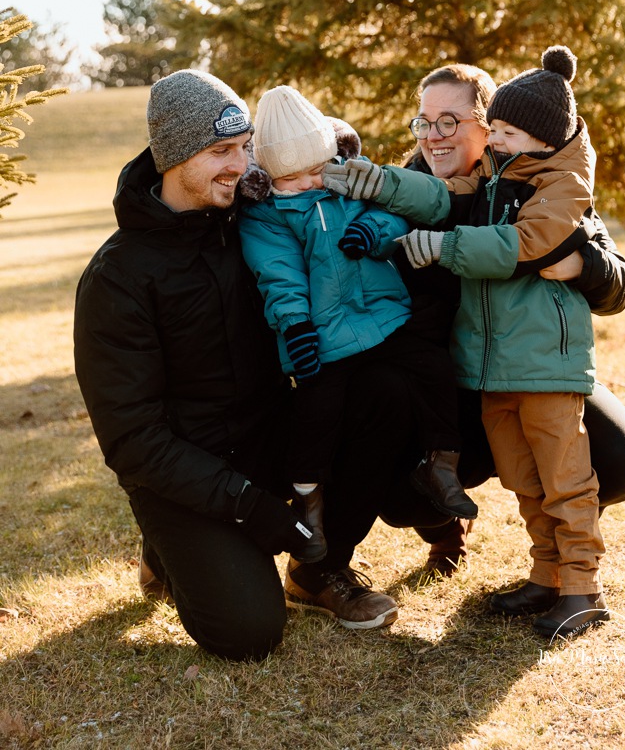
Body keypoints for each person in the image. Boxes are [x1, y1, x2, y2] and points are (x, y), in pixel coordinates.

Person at [73, 69, 416, 661]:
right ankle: (167, 544)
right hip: (187, 471)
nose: (242, 165)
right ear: (173, 158)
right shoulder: (118, 278)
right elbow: (132, 439)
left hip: (269, 436)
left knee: (383, 394)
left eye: (244, 147)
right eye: (221, 151)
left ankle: (320, 571)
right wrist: (248, 506)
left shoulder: (253, 221)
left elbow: (329, 196)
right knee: (248, 632)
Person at [323, 55, 625, 590]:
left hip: (534, 370)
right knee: (408, 494)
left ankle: (568, 567)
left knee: (614, 460)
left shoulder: (540, 185)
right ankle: (447, 528)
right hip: (449, 387)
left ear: (491, 127)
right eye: (424, 122)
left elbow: (620, 286)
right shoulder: (407, 193)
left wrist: (584, 265)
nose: (434, 135)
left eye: (450, 121)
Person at [237, 85, 478, 563]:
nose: (309, 183)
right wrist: (295, 326)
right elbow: (278, 275)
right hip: (323, 333)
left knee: (432, 368)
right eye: (292, 178)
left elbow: (390, 217)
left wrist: (375, 232)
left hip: (384, 315)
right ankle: (309, 499)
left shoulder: (347, 183)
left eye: (316, 170)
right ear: (267, 176)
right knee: (316, 412)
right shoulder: (267, 217)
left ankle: (442, 463)